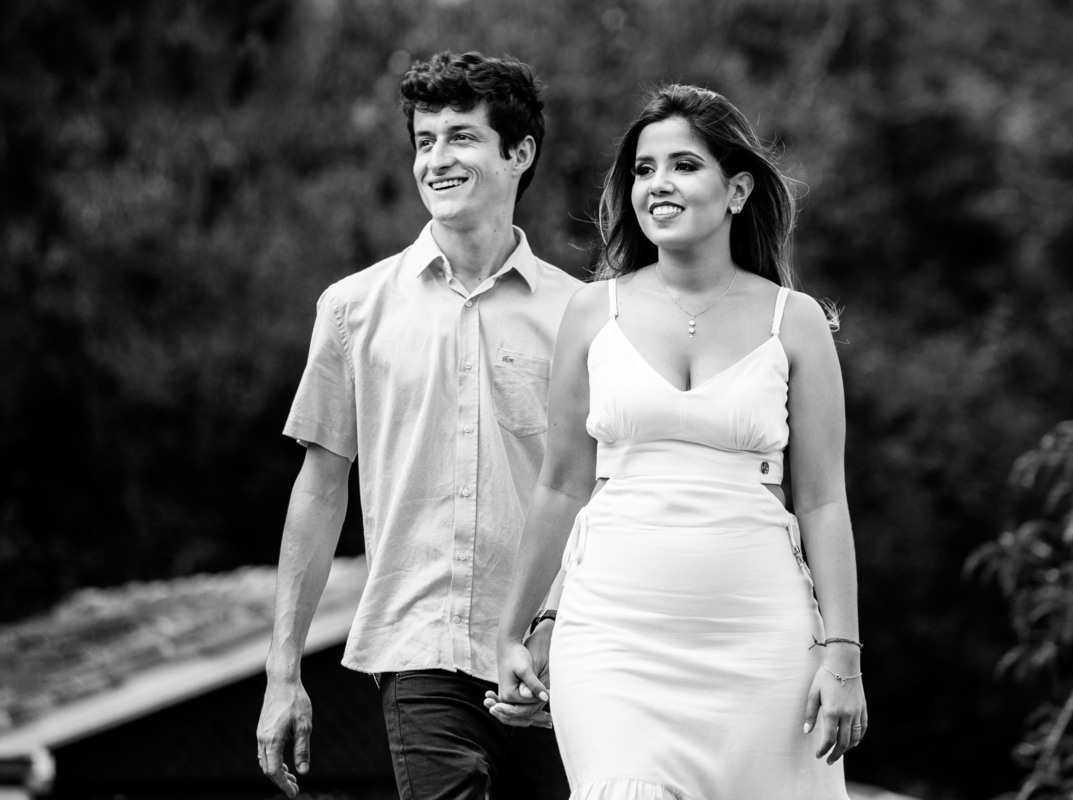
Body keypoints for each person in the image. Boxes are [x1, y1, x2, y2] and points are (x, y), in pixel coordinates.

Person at [491, 84, 866, 799]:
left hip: (762, 642)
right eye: (643, 169)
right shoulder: (591, 312)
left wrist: (843, 657)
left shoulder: (796, 322)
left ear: (738, 190)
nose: (658, 183)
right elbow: (562, 485)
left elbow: (822, 502)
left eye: (684, 165)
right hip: (613, 637)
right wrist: (515, 632)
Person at [255, 51, 579, 800]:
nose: (437, 159)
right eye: (425, 140)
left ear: (519, 153)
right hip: (419, 650)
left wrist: (556, 626)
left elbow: (599, 491)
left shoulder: (582, 316)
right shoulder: (352, 309)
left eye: (462, 136)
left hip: (557, 654)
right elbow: (319, 490)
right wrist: (283, 671)